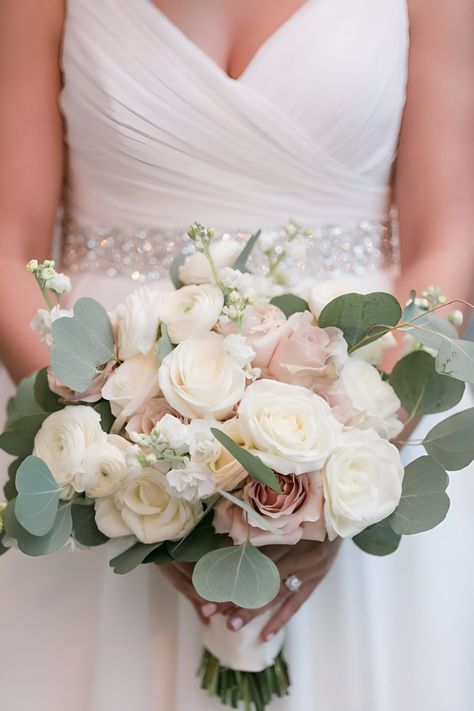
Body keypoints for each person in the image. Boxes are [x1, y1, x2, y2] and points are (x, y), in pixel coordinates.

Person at [0, 1, 472, 709]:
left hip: (369, 407)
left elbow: (450, 236)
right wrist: (121, 473)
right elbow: (9, 240)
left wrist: (341, 475)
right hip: (99, 423)